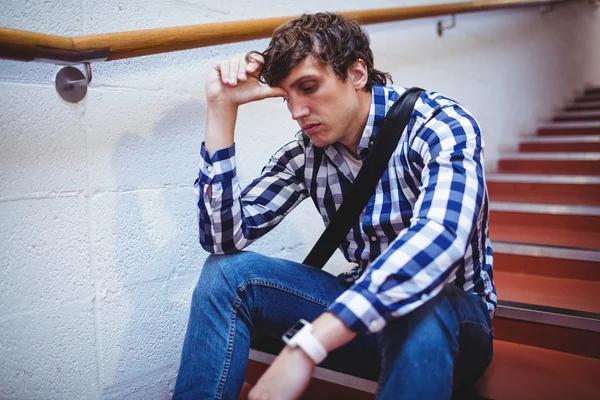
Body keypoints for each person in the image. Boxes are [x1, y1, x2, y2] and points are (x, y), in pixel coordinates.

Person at [173, 12, 497, 400]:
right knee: (226, 273)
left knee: (421, 302)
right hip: (360, 319)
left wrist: (308, 344)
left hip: (451, 322)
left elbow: (439, 238)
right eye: (287, 97)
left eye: (308, 87)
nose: (296, 112)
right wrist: (221, 110)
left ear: (357, 72)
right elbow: (222, 238)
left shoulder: (439, 125)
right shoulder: (307, 154)